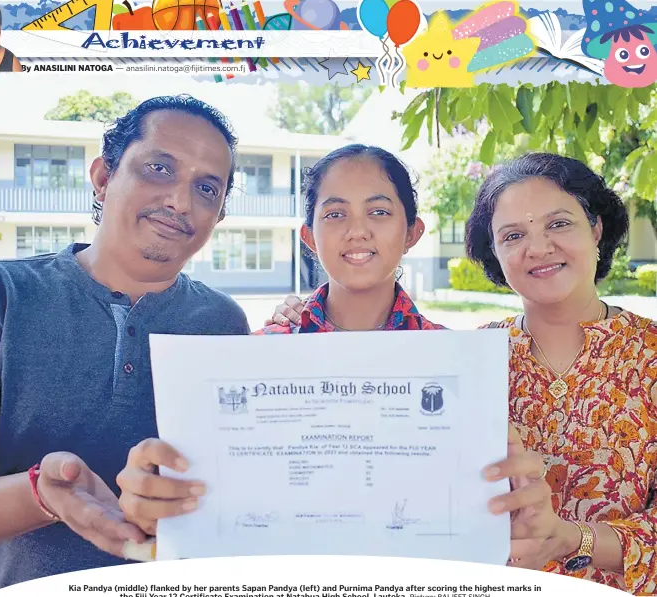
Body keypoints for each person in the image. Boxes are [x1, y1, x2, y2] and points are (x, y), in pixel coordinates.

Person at [116, 145, 554, 569]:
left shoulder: (456, 367)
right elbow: (212, 515)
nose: (357, 230)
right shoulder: (257, 357)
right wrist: (162, 506)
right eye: (335, 213)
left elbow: (480, 525)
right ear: (310, 237)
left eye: (379, 211)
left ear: (412, 233)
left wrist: (508, 513)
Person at [268, 152, 657, 594]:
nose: (538, 247)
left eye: (559, 223)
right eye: (513, 235)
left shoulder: (649, 352)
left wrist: (574, 539)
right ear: (495, 252)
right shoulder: (466, 357)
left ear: (597, 228)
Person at [0, 95, 250, 594]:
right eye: (159, 168)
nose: (181, 202)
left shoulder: (224, 323)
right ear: (102, 176)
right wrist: (45, 496)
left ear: (218, 215)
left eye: (206, 188)